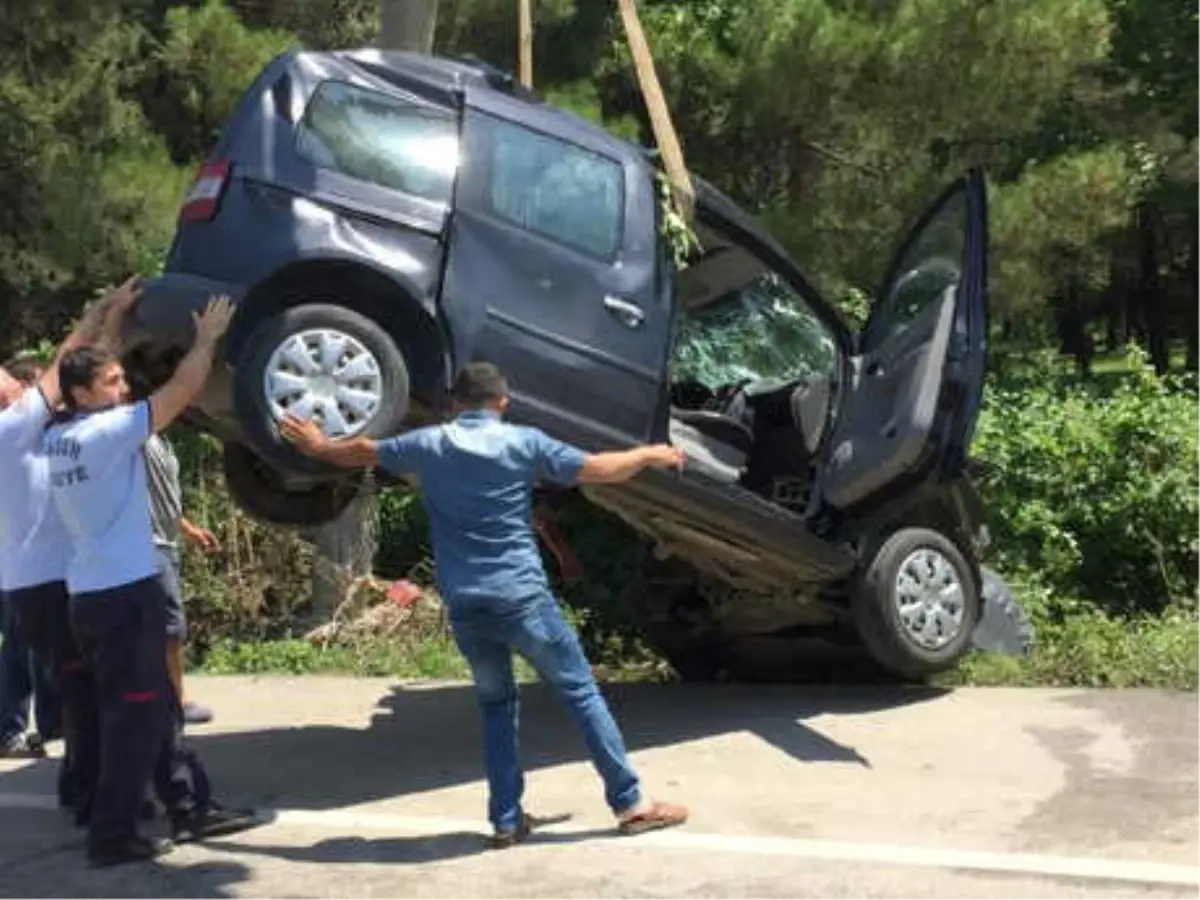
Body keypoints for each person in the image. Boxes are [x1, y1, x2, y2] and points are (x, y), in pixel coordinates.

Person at [281, 361, 690, 847]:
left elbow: (363, 452)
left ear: (455, 403)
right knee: (580, 693)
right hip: (521, 598)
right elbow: (598, 469)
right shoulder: (523, 442)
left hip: (467, 605)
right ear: (503, 401)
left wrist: (318, 445)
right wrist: (648, 453)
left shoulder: (429, 443)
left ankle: (506, 819)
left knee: (497, 706)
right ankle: (631, 803)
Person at [45, 293, 259, 867]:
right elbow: (181, 391)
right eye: (112, 382)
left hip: (92, 593)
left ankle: (189, 806)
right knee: (134, 716)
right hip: (123, 595)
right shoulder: (107, 433)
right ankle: (112, 836)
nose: (123, 387)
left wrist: (111, 323)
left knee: (156, 704)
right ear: (87, 395)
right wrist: (207, 338)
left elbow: (84, 368)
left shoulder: (58, 435)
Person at [0, 282, 139, 822]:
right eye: (13, 381)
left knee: (83, 687)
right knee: (87, 690)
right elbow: (66, 363)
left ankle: (80, 788)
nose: (23, 383)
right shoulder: (12, 430)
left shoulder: (30, 432)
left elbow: (80, 369)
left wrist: (112, 321)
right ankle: (89, 795)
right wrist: (103, 309)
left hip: (38, 582)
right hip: (45, 584)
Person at [0, 358, 62, 758]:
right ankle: (9, 730)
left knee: (44, 649)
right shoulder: (12, 430)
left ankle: (53, 726)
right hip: (18, 565)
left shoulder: (31, 432)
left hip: (35, 562)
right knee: (22, 648)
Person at [144, 429, 217, 726]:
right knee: (170, 627)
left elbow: (165, 497)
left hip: (168, 542)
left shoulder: (163, 440)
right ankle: (176, 702)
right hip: (150, 544)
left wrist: (189, 531)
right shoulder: (139, 438)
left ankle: (163, 698)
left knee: (167, 627)